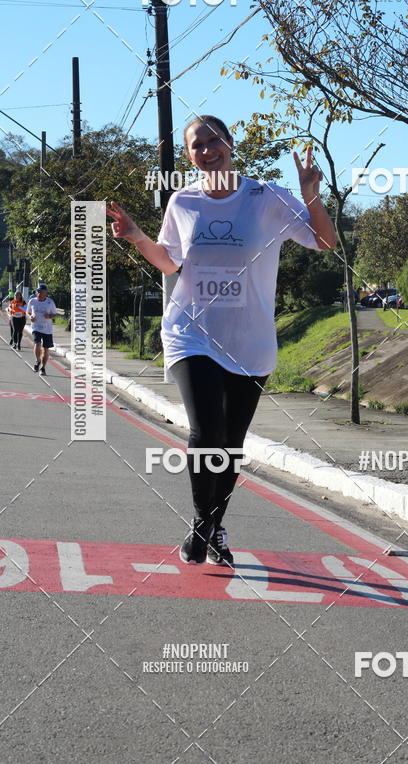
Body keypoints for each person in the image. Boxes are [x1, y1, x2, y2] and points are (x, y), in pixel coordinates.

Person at [108, 115, 336, 567]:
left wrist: (311, 196)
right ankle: (201, 524)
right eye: (197, 145)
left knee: (231, 444)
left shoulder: (265, 197)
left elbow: (325, 243)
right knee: (207, 432)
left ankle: (213, 526)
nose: (208, 150)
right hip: (190, 331)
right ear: (189, 156)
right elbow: (170, 263)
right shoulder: (183, 200)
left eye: (214, 140)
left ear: (230, 145)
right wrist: (136, 236)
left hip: (249, 340)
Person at [26, 283, 57, 375]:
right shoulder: (32, 301)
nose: (39, 293)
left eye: (42, 292)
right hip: (36, 327)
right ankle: (37, 360)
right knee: (37, 343)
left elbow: (54, 314)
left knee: (46, 349)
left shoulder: (50, 302)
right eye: (38, 291)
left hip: (47, 329)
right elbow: (27, 312)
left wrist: (49, 316)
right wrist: (30, 316)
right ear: (36, 292)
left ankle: (43, 368)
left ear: (46, 293)